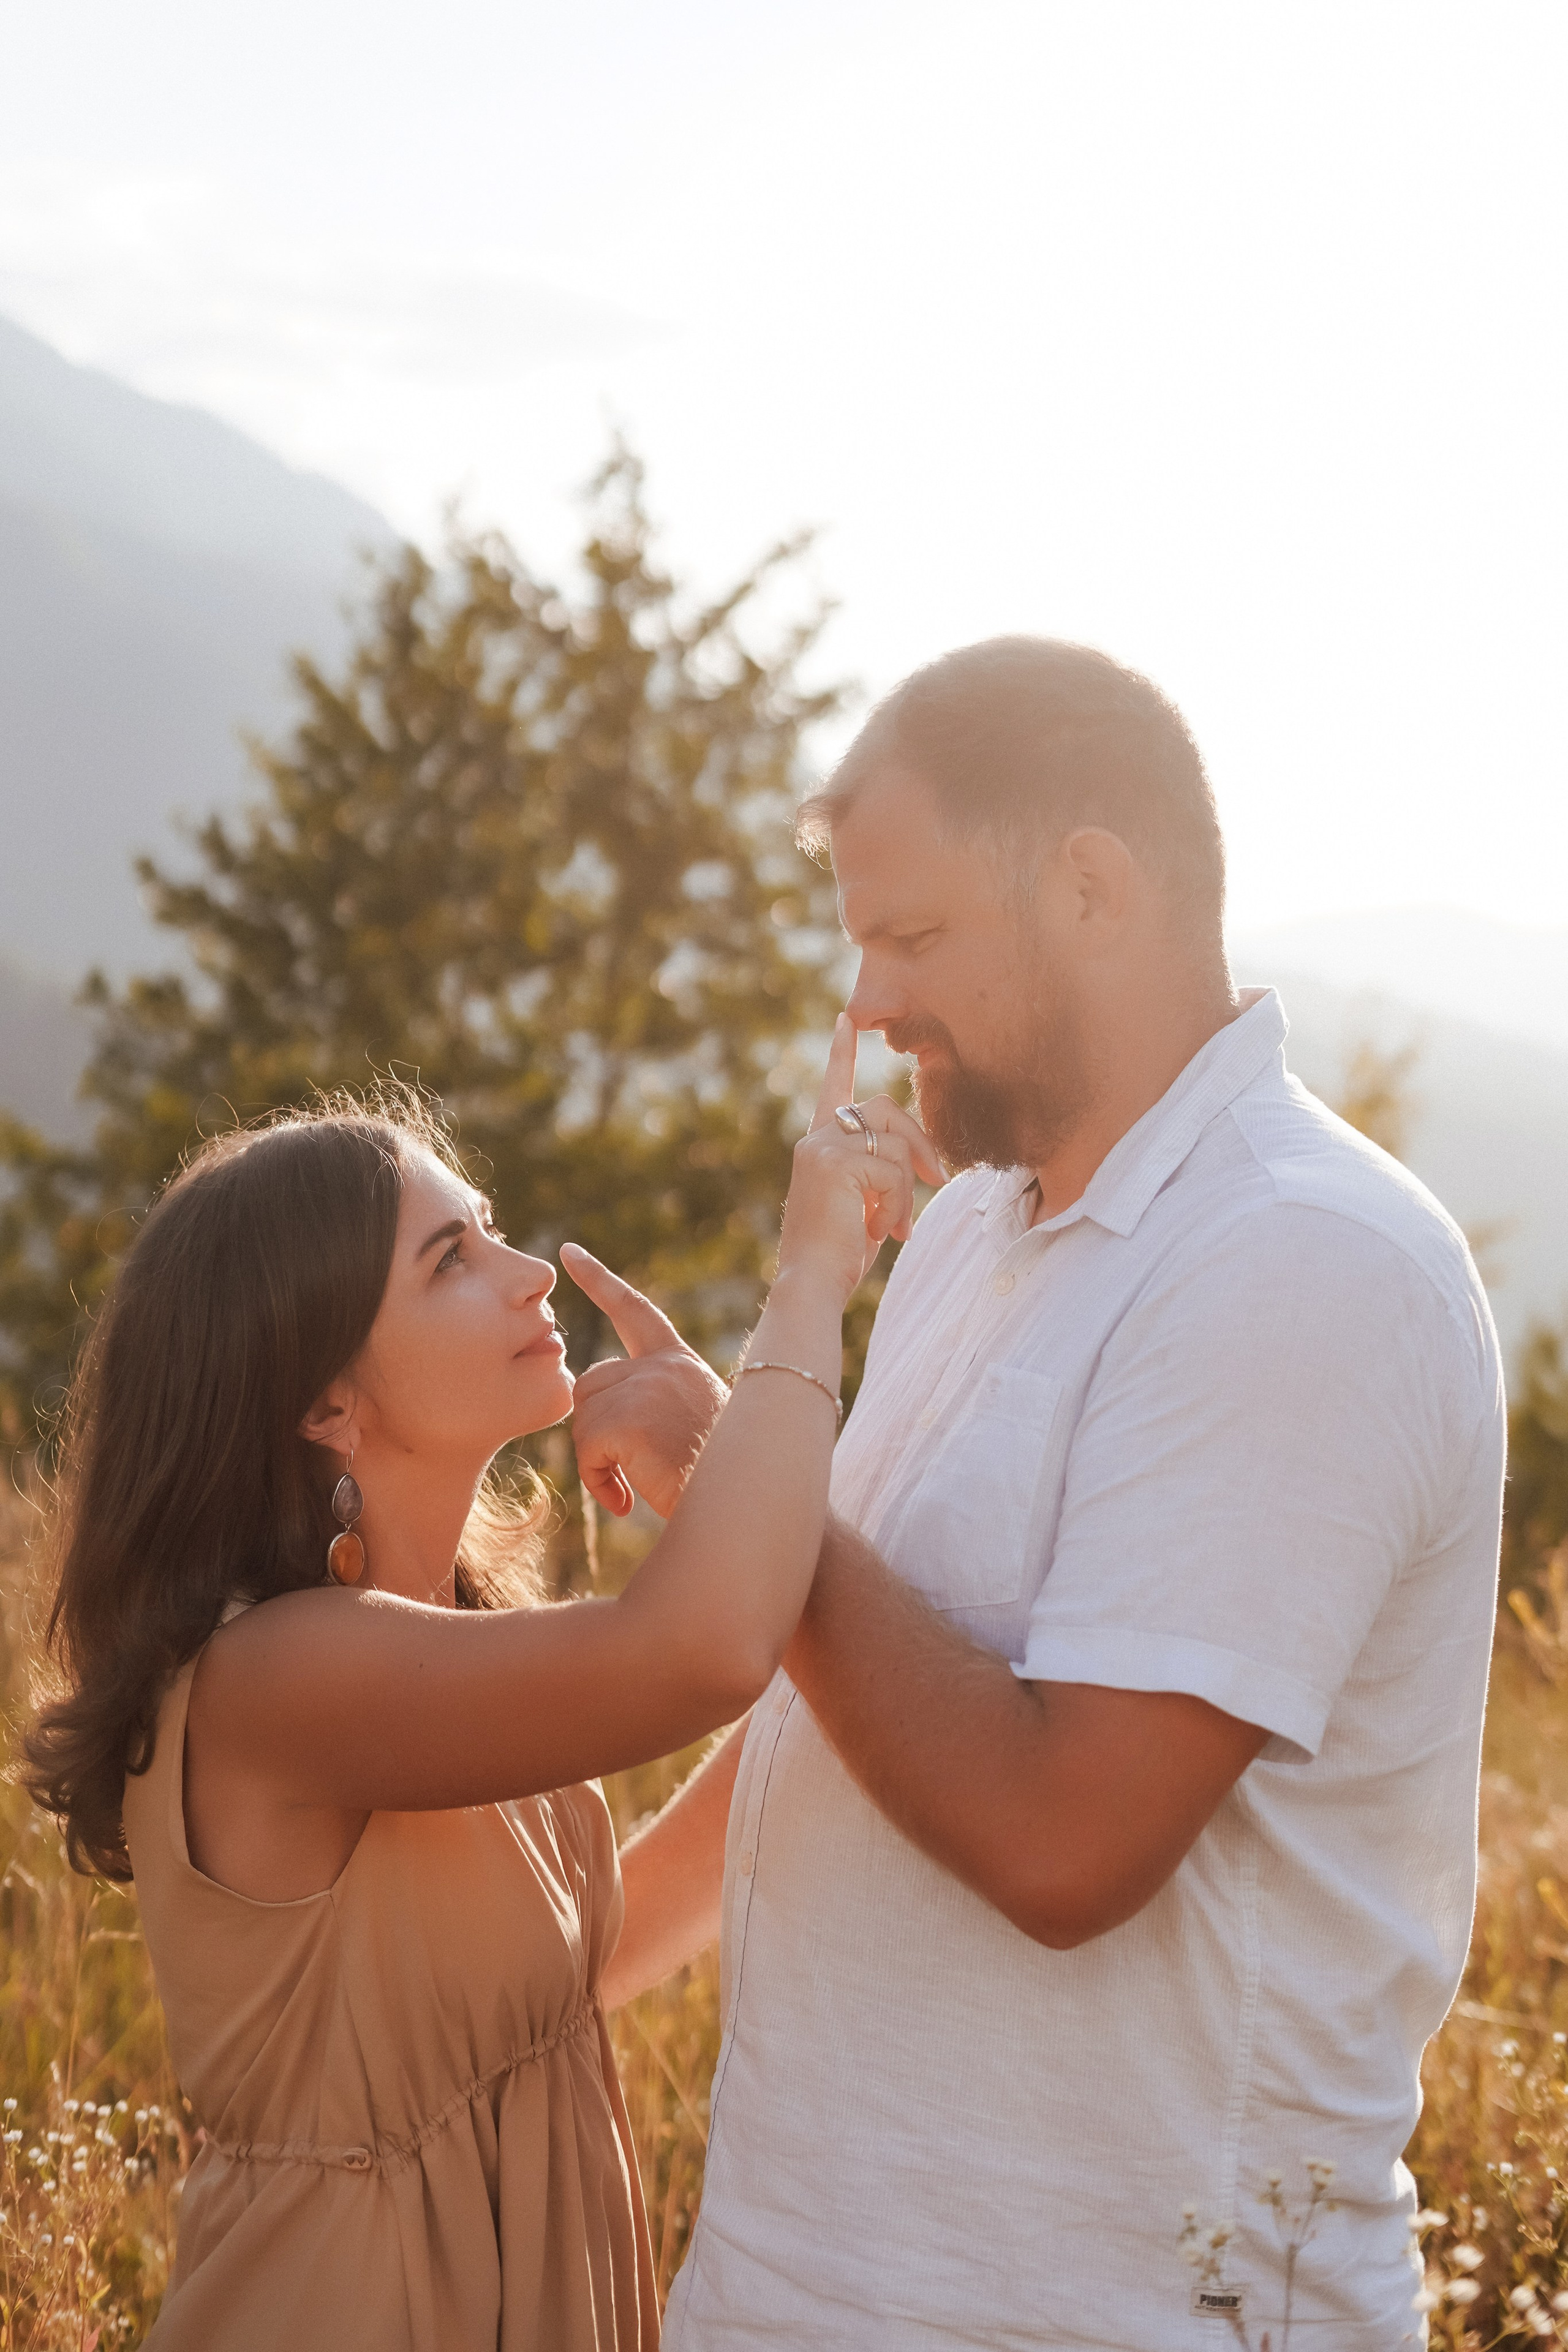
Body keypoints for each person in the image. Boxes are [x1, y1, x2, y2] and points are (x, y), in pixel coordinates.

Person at [588, 638, 1507, 2350]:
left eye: (916, 935)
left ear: (1094, 886)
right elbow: (842, 1707)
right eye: (857, 938)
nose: (864, 999)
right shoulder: (964, 1236)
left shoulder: (1301, 1257)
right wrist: (529, 1974)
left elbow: (1066, 1837)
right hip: (800, 2298)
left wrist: (743, 1483)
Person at [21, 1063, 940, 2352]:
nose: (530, 1275)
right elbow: (700, 1648)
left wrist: (839, 1687)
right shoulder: (275, 1680)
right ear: (325, 1402)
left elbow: (576, 1970)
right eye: (452, 1259)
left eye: (491, 1228)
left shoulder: (452, 1636)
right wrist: (804, 1288)